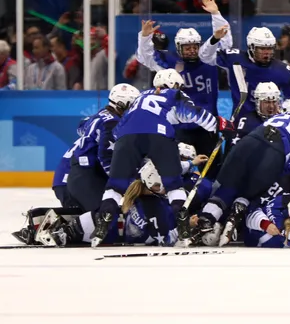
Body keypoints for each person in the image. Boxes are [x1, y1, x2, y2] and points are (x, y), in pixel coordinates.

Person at [90, 69, 234, 247]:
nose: (180, 89)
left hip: (126, 137)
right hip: (158, 136)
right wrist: (220, 124)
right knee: (174, 186)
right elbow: (193, 113)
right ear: (172, 84)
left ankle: (103, 222)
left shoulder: (139, 98)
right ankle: (183, 227)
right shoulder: (173, 95)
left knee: (115, 186)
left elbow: (119, 128)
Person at [196, 104, 290, 245]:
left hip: (250, 140)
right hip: (276, 152)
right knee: (249, 192)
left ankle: (204, 222)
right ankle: (233, 220)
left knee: (227, 187)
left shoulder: (278, 116)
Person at [135, 0, 232, 156]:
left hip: (206, 126)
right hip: (178, 126)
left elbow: (224, 40)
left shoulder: (209, 59)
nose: (192, 50)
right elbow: (145, 57)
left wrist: (216, 14)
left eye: (195, 46)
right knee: (179, 168)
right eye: (187, 47)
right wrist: (144, 38)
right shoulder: (169, 62)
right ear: (179, 48)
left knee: (213, 170)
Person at [36, 161, 192, 248]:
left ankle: (60, 229)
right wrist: (186, 227)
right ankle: (60, 231)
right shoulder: (152, 205)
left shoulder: (138, 190)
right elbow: (163, 239)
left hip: (94, 223)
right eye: (161, 185)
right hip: (98, 229)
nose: (165, 188)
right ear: (152, 184)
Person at [65, 84, 141, 213]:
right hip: (89, 175)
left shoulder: (100, 115)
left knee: (106, 212)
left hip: (83, 173)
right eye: (133, 106)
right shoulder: (113, 123)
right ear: (122, 104)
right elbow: (106, 157)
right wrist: (122, 182)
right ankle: (63, 231)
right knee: (104, 214)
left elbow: (81, 126)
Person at [216, 26, 290, 120]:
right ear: (251, 47)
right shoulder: (235, 59)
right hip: (240, 123)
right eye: (262, 48)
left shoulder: (284, 71)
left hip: (271, 125)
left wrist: (283, 111)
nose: (266, 52)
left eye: (269, 48)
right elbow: (206, 57)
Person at [226, 81, 282, 155]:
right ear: (258, 102)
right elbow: (236, 152)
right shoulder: (247, 123)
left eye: (274, 101)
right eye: (267, 102)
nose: (271, 106)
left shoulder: (284, 120)